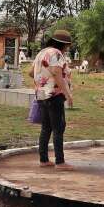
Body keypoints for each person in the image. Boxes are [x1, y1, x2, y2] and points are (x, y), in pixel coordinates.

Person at [30, 30, 74, 170]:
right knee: (58, 127)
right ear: (62, 44)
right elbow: (56, 73)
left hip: (41, 94)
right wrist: (67, 93)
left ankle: (43, 159)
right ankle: (60, 162)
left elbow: (31, 72)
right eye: (67, 45)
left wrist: (42, 80)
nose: (67, 48)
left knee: (46, 127)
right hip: (54, 95)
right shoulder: (56, 53)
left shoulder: (41, 53)